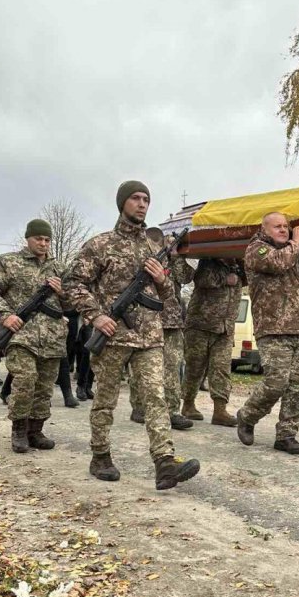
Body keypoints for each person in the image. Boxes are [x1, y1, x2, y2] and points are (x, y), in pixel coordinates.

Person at [64, 180, 200, 490]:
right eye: (136, 198)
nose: (142, 204)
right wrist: (95, 315)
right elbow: (73, 283)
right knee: (105, 400)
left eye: (146, 199)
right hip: (112, 336)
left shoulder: (154, 248)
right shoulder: (100, 245)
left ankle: (165, 462)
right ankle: (100, 455)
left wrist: (160, 279)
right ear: (122, 203)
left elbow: (166, 294)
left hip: (148, 336)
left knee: (156, 398)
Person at [237, 213, 299, 454]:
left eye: (286, 226)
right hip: (273, 329)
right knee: (276, 382)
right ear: (264, 229)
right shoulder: (257, 250)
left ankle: (286, 435)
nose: (284, 230)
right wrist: (296, 240)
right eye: (278, 227)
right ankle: (247, 416)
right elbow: (278, 263)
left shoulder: (298, 255)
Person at [0, 221, 67, 451]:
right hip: (21, 334)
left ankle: (35, 430)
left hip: (52, 337)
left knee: (45, 385)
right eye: (38, 238)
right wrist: (5, 315)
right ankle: (18, 429)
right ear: (28, 238)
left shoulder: (58, 268)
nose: (43, 243)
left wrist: (62, 292)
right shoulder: (8, 262)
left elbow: (71, 303)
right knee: (25, 379)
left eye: (47, 240)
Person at [130, 252, 194, 429]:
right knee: (143, 366)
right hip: (146, 319)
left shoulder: (173, 260)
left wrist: (177, 257)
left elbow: (186, 277)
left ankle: (172, 411)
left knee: (173, 366)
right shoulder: (141, 253)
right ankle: (138, 407)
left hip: (172, 319)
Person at [181, 258, 245, 427]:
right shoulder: (209, 259)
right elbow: (201, 278)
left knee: (221, 368)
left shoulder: (240, 264)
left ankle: (220, 410)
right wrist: (225, 279)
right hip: (201, 324)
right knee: (195, 367)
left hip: (225, 328)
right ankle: (188, 404)